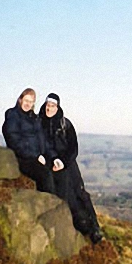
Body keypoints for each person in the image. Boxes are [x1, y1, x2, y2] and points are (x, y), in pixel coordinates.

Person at [39, 93, 104, 244]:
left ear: (58, 107)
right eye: (48, 105)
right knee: (67, 197)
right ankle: (82, 228)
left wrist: (63, 161)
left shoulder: (65, 124)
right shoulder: (39, 123)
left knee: (80, 193)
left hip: (68, 164)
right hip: (52, 166)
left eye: (53, 106)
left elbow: (73, 148)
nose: (50, 108)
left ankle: (94, 228)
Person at [2, 88, 55, 193]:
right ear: (20, 100)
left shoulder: (34, 118)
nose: (28, 104)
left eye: (31, 102)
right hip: (23, 158)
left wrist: (54, 157)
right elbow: (14, 141)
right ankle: (49, 205)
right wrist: (36, 156)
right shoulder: (13, 115)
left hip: (37, 157)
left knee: (61, 173)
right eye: (26, 101)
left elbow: (43, 140)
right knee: (45, 175)